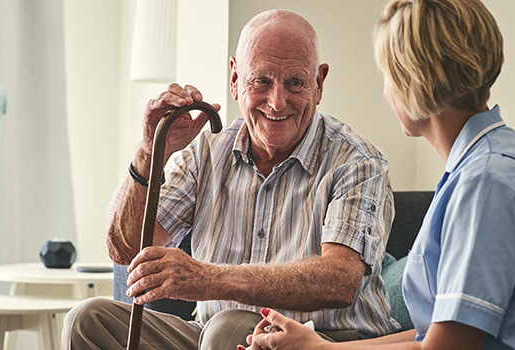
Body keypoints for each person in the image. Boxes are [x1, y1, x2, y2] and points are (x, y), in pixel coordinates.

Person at [241, 0, 515, 349]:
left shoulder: (486, 183)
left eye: (386, 76)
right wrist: (317, 344)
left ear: (412, 80)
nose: (385, 92)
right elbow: (434, 334)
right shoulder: (484, 163)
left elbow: (446, 348)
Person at [62, 9, 399, 350]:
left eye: (295, 82)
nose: (277, 101)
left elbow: (338, 281)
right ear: (235, 79)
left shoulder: (358, 161)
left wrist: (207, 279)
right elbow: (125, 249)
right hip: (210, 337)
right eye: (262, 81)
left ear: (319, 83)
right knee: (88, 319)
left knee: (229, 327)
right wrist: (150, 154)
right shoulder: (206, 153)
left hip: (324, 340)